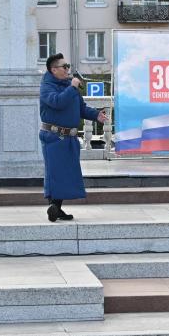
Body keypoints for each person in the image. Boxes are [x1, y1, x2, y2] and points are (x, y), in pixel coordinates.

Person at [39, 53, 108, 222]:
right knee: (56, 173)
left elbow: (81, 108)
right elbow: (57, 102)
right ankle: (54, 206)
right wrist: (72, 88)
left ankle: (56, 207)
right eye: (64, 66)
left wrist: (96, 115)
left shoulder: (69, 87)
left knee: (67, 173)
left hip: (69, 138)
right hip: (54, 137)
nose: (67, 69)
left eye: (67, 66)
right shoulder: (47, 86)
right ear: (53, 69)